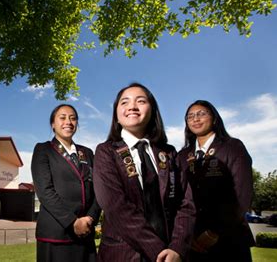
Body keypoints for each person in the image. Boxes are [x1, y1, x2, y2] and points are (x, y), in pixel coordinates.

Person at [93, 83, 195, 262]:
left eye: (140, 101)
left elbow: (186, 204)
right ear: (116, 114)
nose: (132, 106)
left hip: (171, 253)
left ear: (152, 110)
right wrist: (158, 251)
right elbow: (116, 207)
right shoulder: (106, 152)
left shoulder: (169, 153)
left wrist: (177, 248)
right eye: (124, 102)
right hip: (123, 254)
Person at [176, 100, 255, 262]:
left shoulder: (232, 147)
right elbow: (176, 197)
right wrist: (184, 235)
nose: (195, 119)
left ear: (214, 119)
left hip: (228, 241)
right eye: (190, 116)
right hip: (191, 243)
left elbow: (242, 194)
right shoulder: (182, 156)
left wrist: (215, 232)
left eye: (201, 114)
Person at [31, 104, 101, 262]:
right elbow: (45, 191)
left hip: (85, 233)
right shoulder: (43, 150)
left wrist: (90, 218)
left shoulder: (88, 153)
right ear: (53, 124)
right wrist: (72, 222)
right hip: (56, 234)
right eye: (62, 118)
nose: (68, 121)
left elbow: (99, 190)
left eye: (73, 118)